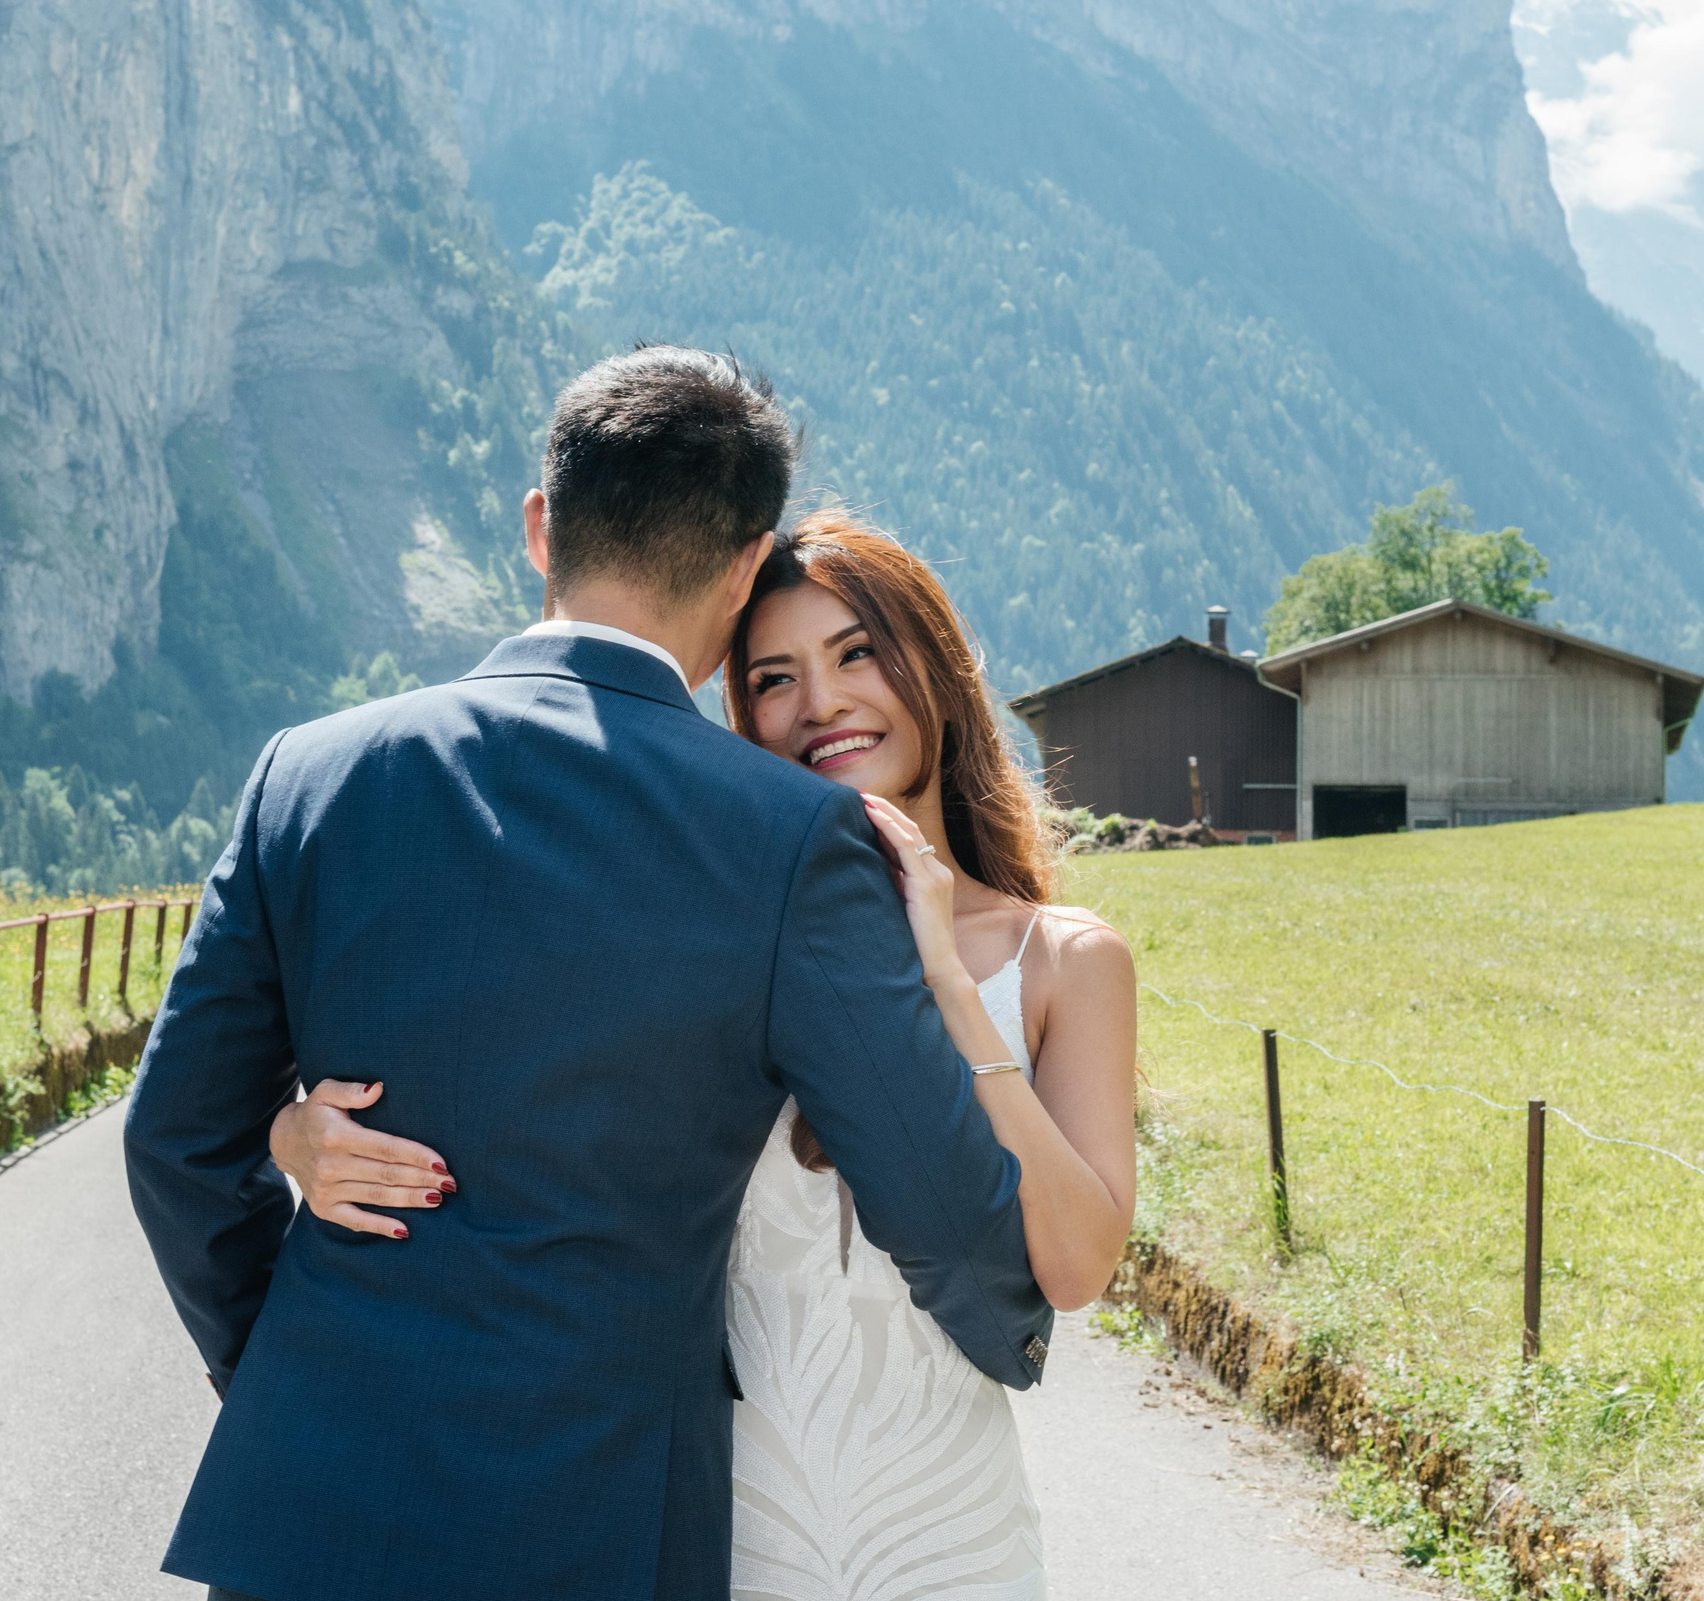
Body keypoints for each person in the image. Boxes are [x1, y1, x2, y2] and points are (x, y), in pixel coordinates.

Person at [122, 350, 1054, 1601]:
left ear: (539, 525)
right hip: (602, 1520)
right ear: (743, 569)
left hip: (311, 1503)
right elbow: (933, 1192)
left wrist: (282, 1362)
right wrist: (1010, 1325)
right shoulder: (788, 836)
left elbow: (175, 1139)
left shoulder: (310, 773)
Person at [271, 511, 1139, 1599]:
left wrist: (951, 984)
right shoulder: (695, 936)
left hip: (943, 1528)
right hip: (715, 1524)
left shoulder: (1066, 959)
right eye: (773, 677)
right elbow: (520, 1114)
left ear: (937, 665)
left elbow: (1076, 1263)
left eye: (855, 652)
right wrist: (294, 1132)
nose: (820, 703)